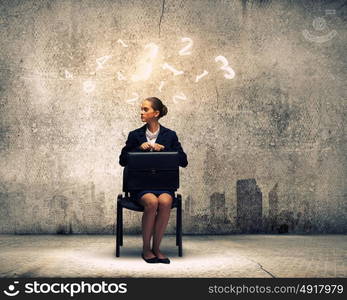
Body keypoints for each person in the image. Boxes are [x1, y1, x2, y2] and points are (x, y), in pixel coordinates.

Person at [119, 97, 188, 264]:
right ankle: (146, 249)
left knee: (165, 201)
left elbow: (183, 161)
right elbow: (122, 160)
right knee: (151, 202)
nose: (141, 112)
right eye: (141, 109)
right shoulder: (134, 135)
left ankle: (157, 249)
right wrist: (137, 148)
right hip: (140, 187)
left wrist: (166, 150)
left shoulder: (170, 135)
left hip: (163, 185)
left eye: (145, 109)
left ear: (156, 113)